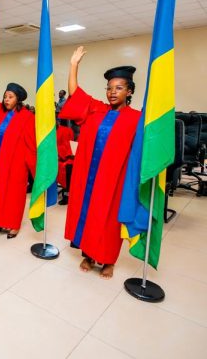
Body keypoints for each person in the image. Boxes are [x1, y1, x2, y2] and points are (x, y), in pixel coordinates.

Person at [58, 46, 141, 279]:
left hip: (115, 181)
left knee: (109, 221)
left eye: (119, 88)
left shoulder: (136, 118)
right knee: (87, 214)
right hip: (88, 177)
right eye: (109, 88)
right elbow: (76, 95)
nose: (112, 92)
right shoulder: (96, 110)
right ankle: (88, 255)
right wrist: (73, 65)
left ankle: (108, 260)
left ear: (129, 91)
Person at [0, 69, 37, 239]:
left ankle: (14, 225)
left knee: (13, 195)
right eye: (5, 96)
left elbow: (31, 144)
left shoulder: (27, 117)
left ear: (18, 99)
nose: (6, 99)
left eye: (10, 97)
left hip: (15, 165)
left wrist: (34, 168)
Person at [56, 118, 75, 205]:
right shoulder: (49, 133)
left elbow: (69, 144)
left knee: (68, 167)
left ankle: (67, 194)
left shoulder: (67, 131)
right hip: (55, 157)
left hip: (67, 156)